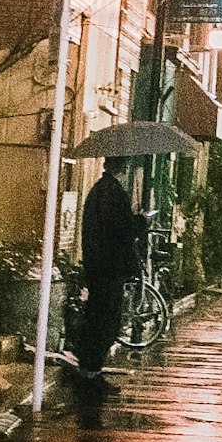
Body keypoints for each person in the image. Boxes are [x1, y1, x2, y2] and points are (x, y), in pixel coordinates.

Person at [70, 163, 140, 428]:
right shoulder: (111, 192)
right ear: (122, 169)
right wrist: (139, 222)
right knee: (105, 319)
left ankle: (91, 371)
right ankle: (89, 372)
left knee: (100, 318)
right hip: (108, 268)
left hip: (100, 265)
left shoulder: (101, 190)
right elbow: (120, 230)